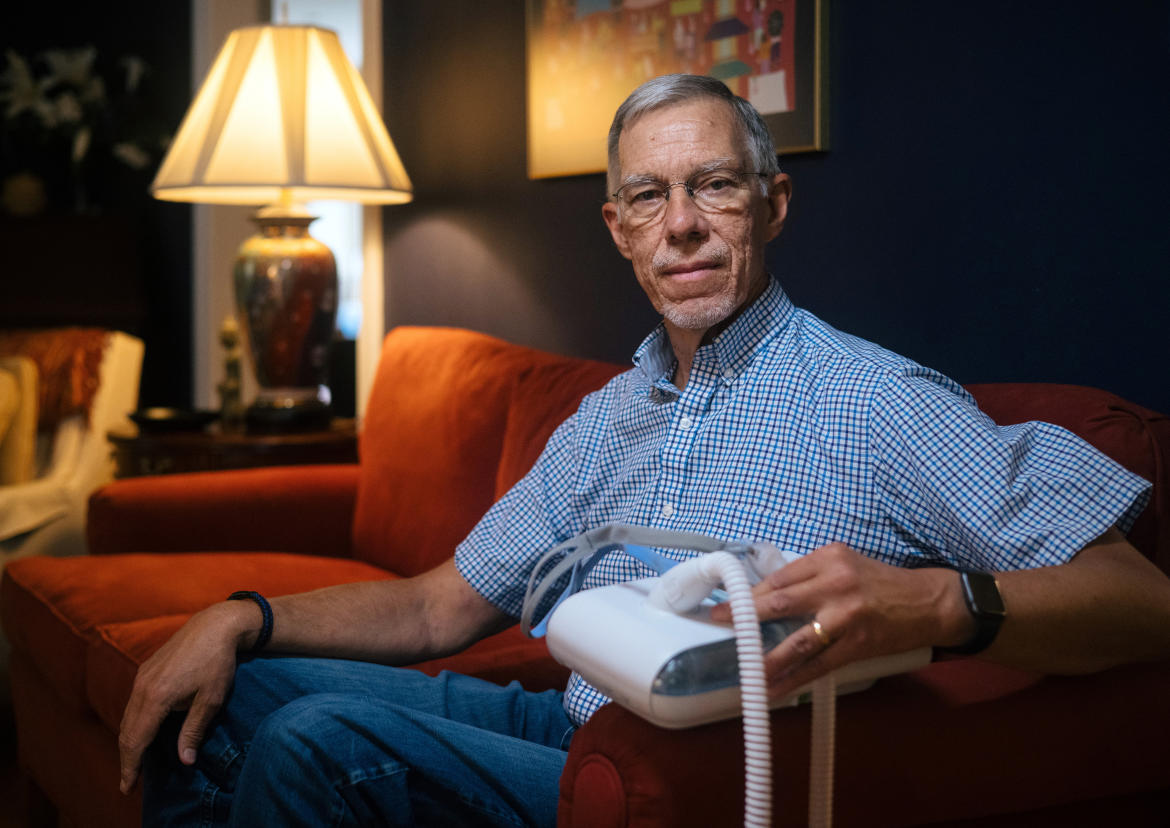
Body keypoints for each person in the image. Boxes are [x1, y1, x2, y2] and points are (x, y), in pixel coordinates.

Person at [122, 74, 1170, 826]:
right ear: (618, 227)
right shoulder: (613, 415)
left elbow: (1141, 602)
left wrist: (940, 603)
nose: (683, 226)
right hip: (569, 731)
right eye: (649, 197)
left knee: (318, 743)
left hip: (686, 781)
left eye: (715, 185)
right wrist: (240, 616)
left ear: (773, 202)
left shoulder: (875, 401)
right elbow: (439, 606)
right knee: (231, 692)